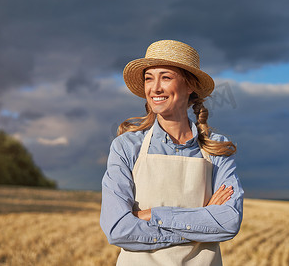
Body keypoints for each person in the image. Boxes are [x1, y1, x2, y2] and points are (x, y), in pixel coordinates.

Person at [100, 40, 244, 266]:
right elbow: (118, 228)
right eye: (149, 78)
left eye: (165, 77)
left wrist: (151, 215)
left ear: (189, 86)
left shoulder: (217, 148)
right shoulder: (126, 147)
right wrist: (200, 224)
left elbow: (228, 223)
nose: (155, 88)